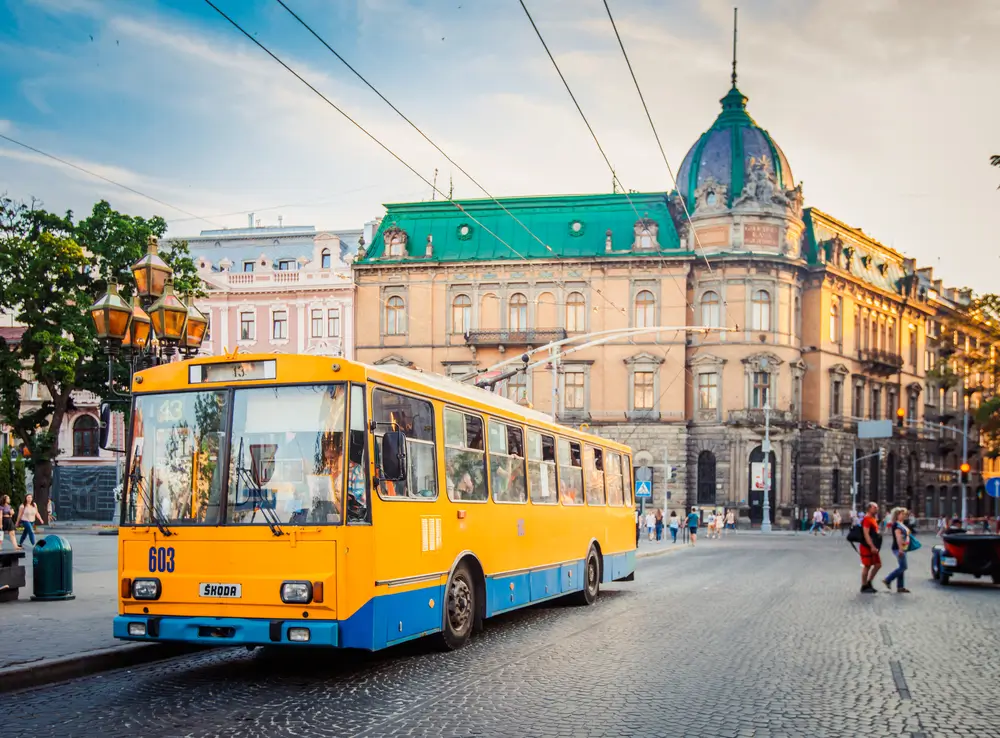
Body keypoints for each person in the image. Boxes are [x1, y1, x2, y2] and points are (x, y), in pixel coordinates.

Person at [882, 507, 911, 593]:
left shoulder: (900, 523)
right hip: (898, 548)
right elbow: (898, 537)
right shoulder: (897, 525)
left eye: (905, 514)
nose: (904, 515)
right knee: (903, 566)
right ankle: (888, 579)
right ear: (897, 515)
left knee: (901, 567)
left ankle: (900, 587)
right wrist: (901, 549)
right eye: (902, 514)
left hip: (903, 547)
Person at [859, 502, 882, 593]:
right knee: (867, 566)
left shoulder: (872, 518)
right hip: (867, 546)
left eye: (877, 507)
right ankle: (864, 585)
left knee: (878, 564)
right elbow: (866, 534)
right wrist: (871, 546)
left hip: (873, 546)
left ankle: (869, 582)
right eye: (875, 507)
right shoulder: (867, 519)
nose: (877, 509)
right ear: (869, 508)